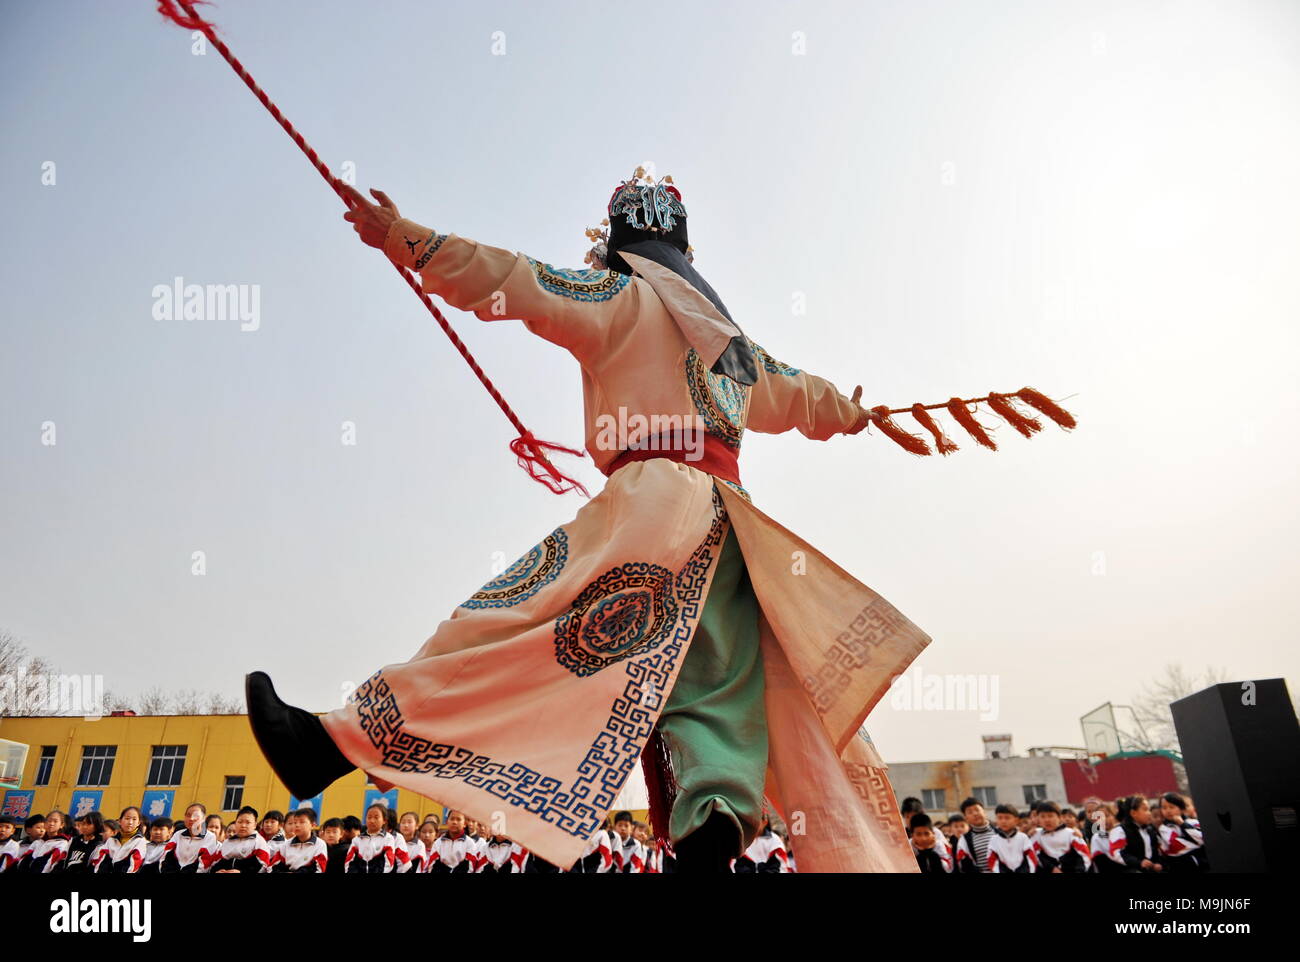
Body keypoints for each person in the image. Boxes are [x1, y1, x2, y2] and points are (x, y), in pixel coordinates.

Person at [243, 167, 931, 873]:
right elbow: (804, 397)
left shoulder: (620, 297)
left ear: (617, 244)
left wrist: (412, 243)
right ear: (686, 254)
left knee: (519, 626)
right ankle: (710, 834)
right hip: (734, 529)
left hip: (652, 508)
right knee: (713, 694)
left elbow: (517, 280)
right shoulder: (736, 351)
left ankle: (330, 744)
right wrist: (857, 414)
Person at [1031, 802, 1090, 873]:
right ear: (1038, 819)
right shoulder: (1036, 835)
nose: (1047, 820)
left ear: (1059, 817)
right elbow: (1034, 856)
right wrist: (1051, 868)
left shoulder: (1071, 834)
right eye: (1042, 816)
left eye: (1050, 816)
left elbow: (1085, 856)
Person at [1109, 795, 1162, 873]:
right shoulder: (1120, 830)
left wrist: (1157, 864)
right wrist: (1138, 863)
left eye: (1149, 810)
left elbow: (1156, 851)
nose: (1149, 813)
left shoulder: (1150, 831)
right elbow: (1117, 853)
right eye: (1145, 809)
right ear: (1133, 813)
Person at [1156, 792, 1207, 872]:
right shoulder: (1163, 829)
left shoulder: (1192, 822)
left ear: (1181, 809)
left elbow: (1202, 839)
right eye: (1164, 808)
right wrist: (1196, 844)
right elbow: (1177, 846)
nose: (1168, 811)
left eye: (1171, 807)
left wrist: (1183, 824)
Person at [213, 806, 273, 873]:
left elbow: (263, 867)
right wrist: (217, 871)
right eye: (240, 822)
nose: (243, 825)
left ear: (255, 825)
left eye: (248, 822)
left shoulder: (259, 842)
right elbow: (215, 863)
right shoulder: (227, 842)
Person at [95, 806, 148, 874]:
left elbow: (132, 867)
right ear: (120, 821)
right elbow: (101, 863)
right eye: (127, 818)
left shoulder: (141, 842)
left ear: (138, 823)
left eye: (134, 819)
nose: (130, 822)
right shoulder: (111, 840)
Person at [345, 803, 394, 874]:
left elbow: (388, 863)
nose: (372, 821)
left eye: (376, 817)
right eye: (369, 817)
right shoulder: (357, 840)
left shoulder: (388, 838)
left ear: (384, 821)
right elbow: (349, 862)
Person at [986, 804, 1036, 873]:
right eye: (1000, 818)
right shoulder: (994, 840)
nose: (1003, 821)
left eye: (1007, 818)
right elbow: (992, 861)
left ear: (1016, 820)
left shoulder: (1023, 837)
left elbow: (1031, 858)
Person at [426, 810, 478, 874]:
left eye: (458, 819)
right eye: (452, 819)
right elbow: (432, 865)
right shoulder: (438, 842)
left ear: (464, 824)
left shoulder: (470, 843)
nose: (454, 822)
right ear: (447, 821)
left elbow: (470, 867)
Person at [952, 798, 994, 873]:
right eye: (970, 812)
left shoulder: (1000, 833)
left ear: (984, 812)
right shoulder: (964, 841)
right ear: (966, 818)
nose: (975, 814)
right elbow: (964, 866)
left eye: (977, 810)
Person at [63, 811, 104, 875]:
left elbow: (92, 868)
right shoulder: (73, 840)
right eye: (83, 823)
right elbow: (64, 860)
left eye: (89, 824)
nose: (84, 826)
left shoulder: (98, 846)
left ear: (97, 826)